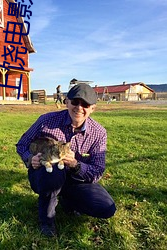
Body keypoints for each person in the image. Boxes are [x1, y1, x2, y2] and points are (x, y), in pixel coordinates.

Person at [16, 84, 116, 237]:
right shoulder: (46, 121)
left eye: (85, 104)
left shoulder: (99, 133)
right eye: (75, 102)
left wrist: (76, 165)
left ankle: (67, 200)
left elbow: (97, 171)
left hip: (76, 179)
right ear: (67, 102)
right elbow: (22, 144)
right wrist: (30, 159)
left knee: (106, 207)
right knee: (54, 170)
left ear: (93, 108)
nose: (79, 108)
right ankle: (47, 220)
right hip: (45, 174)